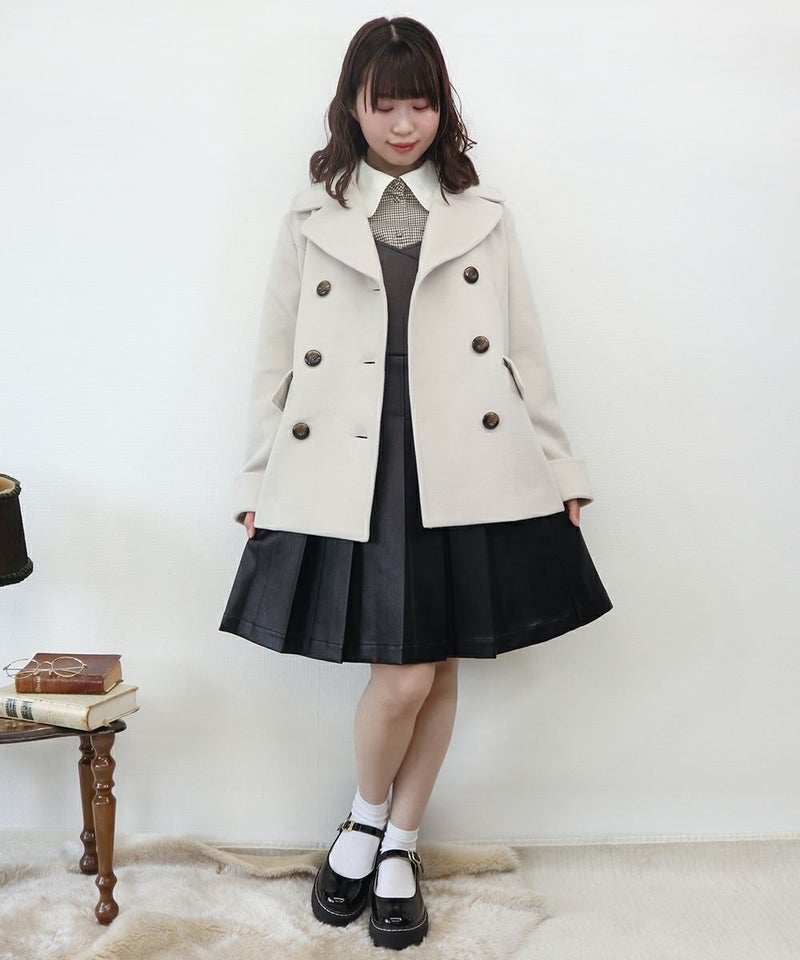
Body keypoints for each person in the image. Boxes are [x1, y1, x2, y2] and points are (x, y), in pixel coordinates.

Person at [220, 15, 612, 951]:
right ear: (352, 106)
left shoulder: (484, 214)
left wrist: (561, 467)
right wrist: (257, 477)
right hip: (349, 456)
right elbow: (275, 361)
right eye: (385, 103)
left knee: (435, 664)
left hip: (466, 455)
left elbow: (525, 352)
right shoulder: (310, 218)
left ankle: (395, 841)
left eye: (421, 104)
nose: (404, 124)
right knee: (403, 677)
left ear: (443, 108)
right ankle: (364, 823)